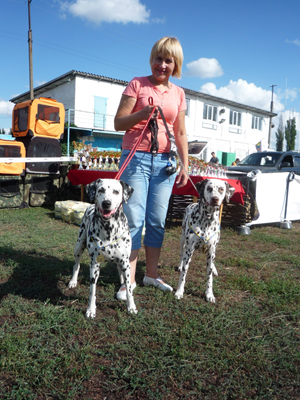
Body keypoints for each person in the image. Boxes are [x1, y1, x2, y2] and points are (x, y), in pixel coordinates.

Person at [114, 36, 189, 300]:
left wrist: (185, 164)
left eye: (169, 60)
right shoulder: (137, 84)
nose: (162, 65)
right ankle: (129, 279)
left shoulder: (179, 93)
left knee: (156, 220)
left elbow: (180, 132)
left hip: (165, 163)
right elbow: (118, 123)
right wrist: (142, 114)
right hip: (136, 159)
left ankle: (151, 274)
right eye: (159, 58)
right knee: (134, 219)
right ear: (152, 59)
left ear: (175, 64)